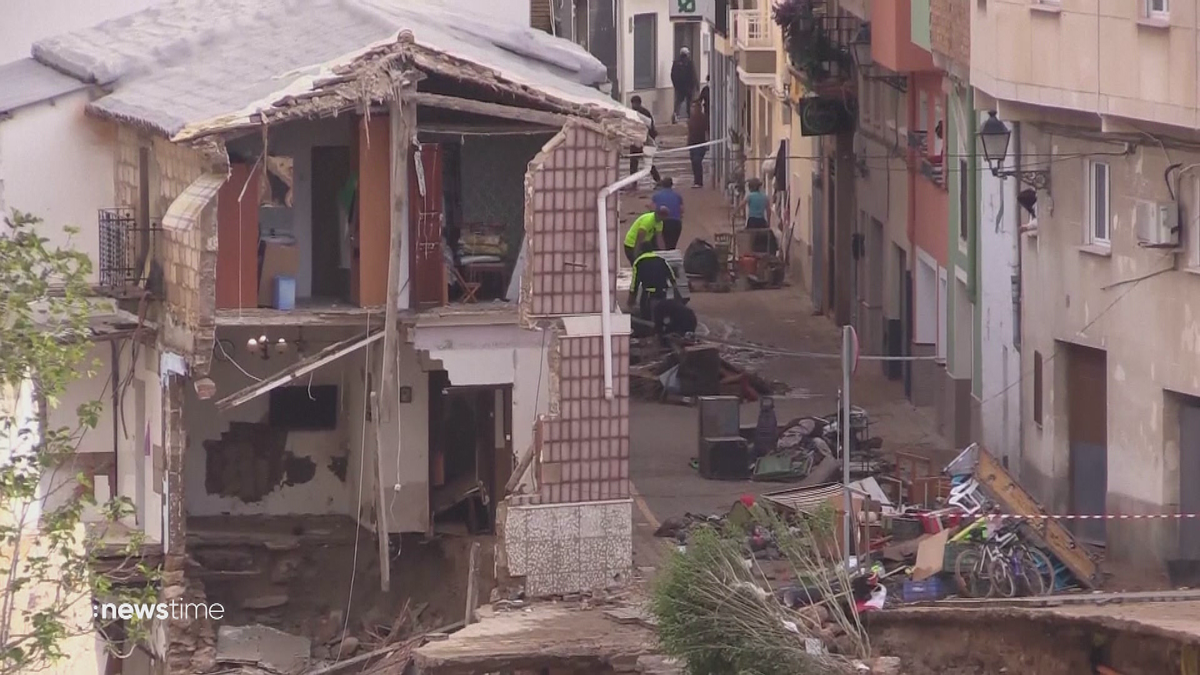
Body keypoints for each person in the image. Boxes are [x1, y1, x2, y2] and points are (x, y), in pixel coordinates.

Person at [628, 241, 679, 323]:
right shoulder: (662, 260)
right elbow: (672, 276)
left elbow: (634, 284)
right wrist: (676, 292)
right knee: (661, 315)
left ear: (641, 251)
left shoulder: (638, 262)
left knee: (646, 316)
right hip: (662, 292)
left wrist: (631, 300)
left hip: (648, 294)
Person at [629, 95, 661, 184]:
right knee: (634, 163)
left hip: (644, 141)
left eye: (634, 104)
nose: (633, 106)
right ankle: (633, 182)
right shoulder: (634, 112)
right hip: (636, 140)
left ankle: (658, 180)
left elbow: (650, 127)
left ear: (638, 103)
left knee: (647, 162)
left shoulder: (643, 113)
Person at [652, 177, 684, 249]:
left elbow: (653, 209)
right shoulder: (677, 196)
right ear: (672, 185)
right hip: (675, 223)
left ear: (662, 185)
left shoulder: (656, 195)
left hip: (661, 222)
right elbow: (682, 210)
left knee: (659, 246)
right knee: (671, 246)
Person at [670, 48, 697, 123]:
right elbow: (693, 75)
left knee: (678, 102)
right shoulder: (689, 63)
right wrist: (695, 85)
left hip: (680, 87)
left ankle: (675, 115)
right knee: (689, 102)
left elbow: (672, 75)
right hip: (688, 86)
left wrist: (676, 85)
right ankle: (689, 117)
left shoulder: (676, 63)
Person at [687, 100, 709, 188]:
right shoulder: (691, 119)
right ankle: (696, 180)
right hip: (692, 143)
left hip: (700, 143)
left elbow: (707, 130)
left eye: (694, 107)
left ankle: (699, 181)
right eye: (692, 107)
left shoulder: (703, 118)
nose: (693, 109)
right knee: (693, 162)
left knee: (697, 161)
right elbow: (689, 131)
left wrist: (707, 142)